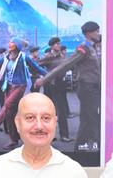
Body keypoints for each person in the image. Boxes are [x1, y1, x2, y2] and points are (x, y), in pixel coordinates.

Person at [38, 22, 101, 151]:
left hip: (94, 89)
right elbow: (65, 65)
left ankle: (82, 149)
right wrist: (45, 79)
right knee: (91, 119)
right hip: (87, 89)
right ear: (89, 33)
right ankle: (87, 148)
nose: (98, 34)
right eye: (96, 31)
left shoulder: (94, 47)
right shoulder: (83, 49)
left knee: (89, 120)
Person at [0, 38, 48, 151]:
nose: (10, 45)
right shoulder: (6, 58)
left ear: (17, 46)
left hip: (21, 86)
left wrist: (50, 75)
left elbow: (37, 68)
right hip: (9, 86)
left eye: (13, 43)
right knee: (10, 114)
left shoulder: (24, 57)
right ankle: (14, 141)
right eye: (10, 43)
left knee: (8, 104)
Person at [39, 37, 72, 142]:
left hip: (61, 84)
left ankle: (64, 135)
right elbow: (36, 65)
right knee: (50, 112)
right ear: (52, 46)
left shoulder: (62, 55)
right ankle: (50, 135)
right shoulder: (48, 57)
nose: (59, 45)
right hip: (51, 86)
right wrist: (45, 76)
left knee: (62, 111)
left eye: (59, 43)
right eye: (57, 44)